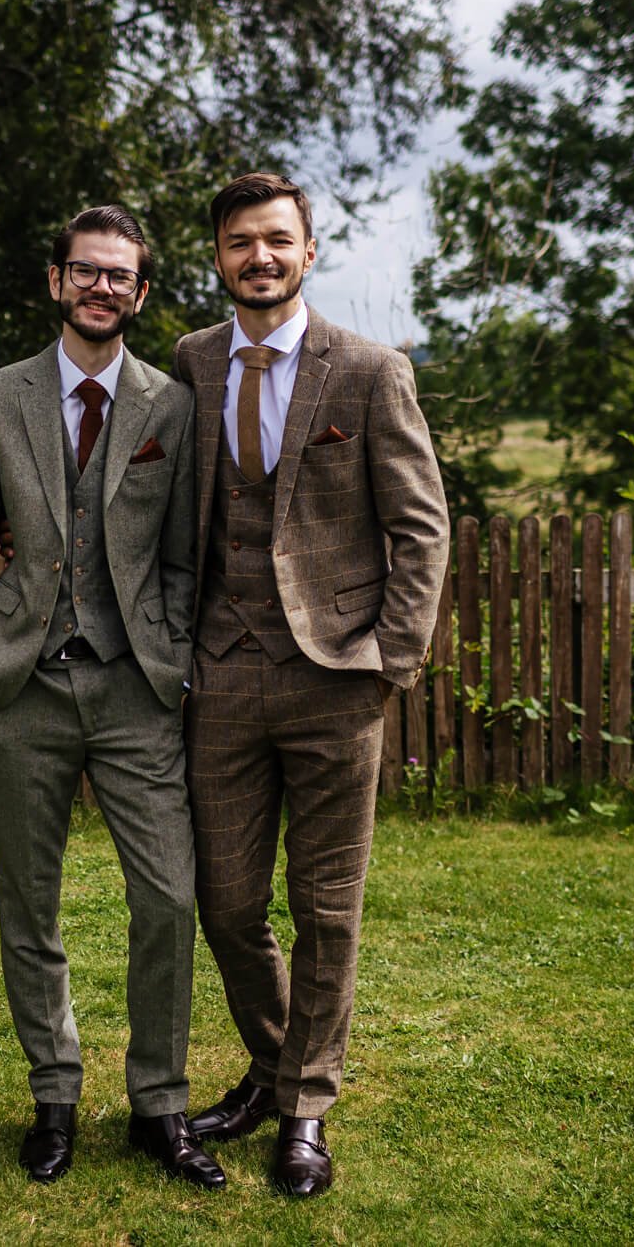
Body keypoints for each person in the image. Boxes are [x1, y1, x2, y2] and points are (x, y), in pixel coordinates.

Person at [0, 205, 223, 1190]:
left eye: (120, 277)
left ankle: (160, 1104)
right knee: (30, 904)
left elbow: (182, 556)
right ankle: (53, 1095)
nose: (102, 288)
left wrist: (174, 657)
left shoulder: (170, 408)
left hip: (135, 689)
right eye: (86, 272)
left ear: (141, 295)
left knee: (168, 897)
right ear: (55, 281)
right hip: (20, 689)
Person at [175, 172, 449, 1196]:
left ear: (307, 250)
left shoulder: (371, 371)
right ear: (217, 257)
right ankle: (273, 1057)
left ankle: (303, 1110)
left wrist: (391, 657)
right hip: (219, 674)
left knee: (326, 906)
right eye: (240, 242)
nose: (259, 256)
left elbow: (420, 525)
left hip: (337, 679)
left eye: (276, 240)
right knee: (225, 898)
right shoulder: (191, 363)